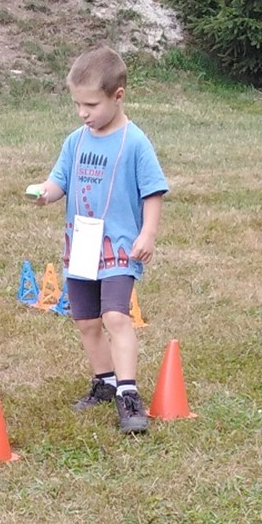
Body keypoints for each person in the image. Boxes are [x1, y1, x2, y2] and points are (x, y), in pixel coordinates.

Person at [31, 46, 168, 434]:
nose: (82, 113)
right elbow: (59, 181)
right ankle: (104, 381)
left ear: (118, 95)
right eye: (77, 104)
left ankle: (128, 393)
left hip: (120, 246)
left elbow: (153, 191)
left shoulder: (135, 142)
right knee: (87, 320)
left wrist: (148, 233)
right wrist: (45, 192)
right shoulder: (75, 141)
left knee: (115, 316)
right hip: (81, 245)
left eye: (91, 104)